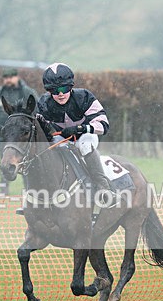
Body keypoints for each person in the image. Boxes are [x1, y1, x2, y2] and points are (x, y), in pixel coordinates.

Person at [37, 62, 116, 206]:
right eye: (55, 91)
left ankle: (103, 187)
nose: (60, 94)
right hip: (62, 138)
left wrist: (79, 129)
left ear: (71, 87)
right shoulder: (43, 104)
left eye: (64, 88)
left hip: (86, 136)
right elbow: (41, 130)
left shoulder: (84, 97)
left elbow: (104, 125)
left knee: (84, 145)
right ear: (49, 91)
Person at [0, 67, 38, 194]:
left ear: (17, 77)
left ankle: (28, 190)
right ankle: (4, 190)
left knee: (24, 161)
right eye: (5, 78)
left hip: (22, 137)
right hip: (3, 134)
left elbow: (37, 108)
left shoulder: (27, 92)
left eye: (10, 77)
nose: (8, 80)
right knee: (5, 161)